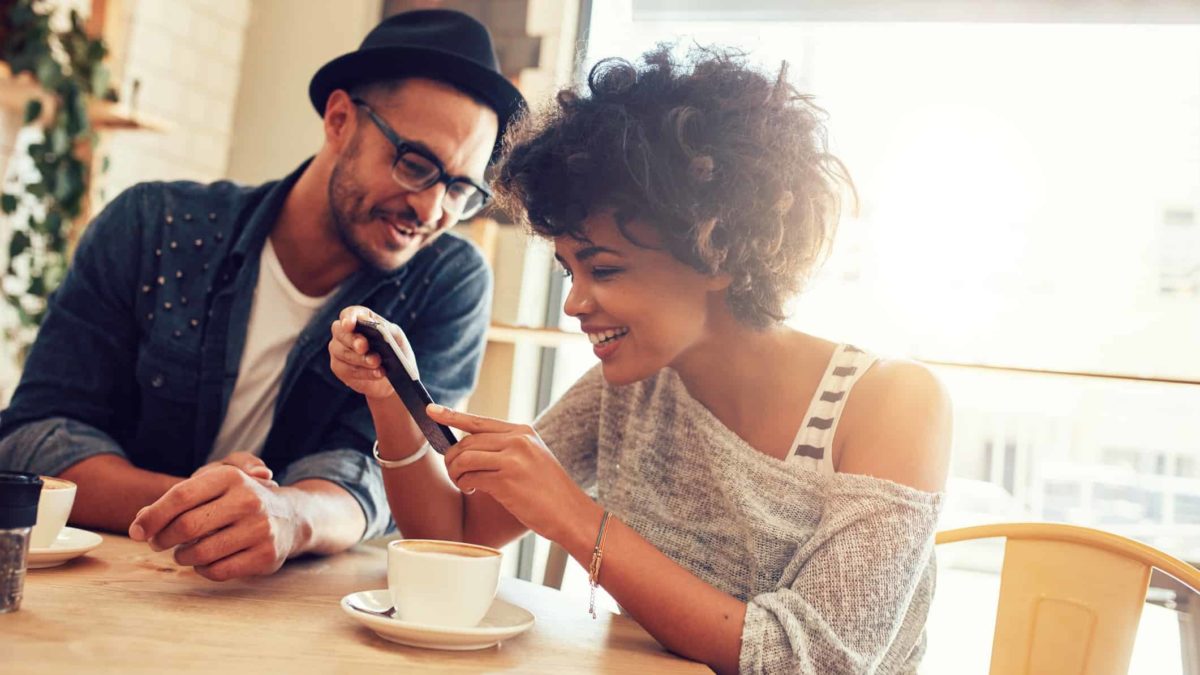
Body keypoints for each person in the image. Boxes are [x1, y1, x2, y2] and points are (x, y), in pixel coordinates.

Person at [330, 45, 951, 674]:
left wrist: (574, 517)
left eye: (603, 268)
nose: (574, 302)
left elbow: (815, 661)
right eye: (568, 268)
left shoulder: (891, 403)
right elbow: (457, 536)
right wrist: (390, 398)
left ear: (719, 250)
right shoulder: (631, 387)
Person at [0, 9, 524, 581]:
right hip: (101, 579)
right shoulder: (153, 225)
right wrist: (225, 510)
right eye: (416, 164)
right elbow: (34, 439)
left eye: (460, 189)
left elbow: (374, 473)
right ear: (340, 119)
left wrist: (290, 517)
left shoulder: (447, 280)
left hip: (291, 610)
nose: (431, 210)